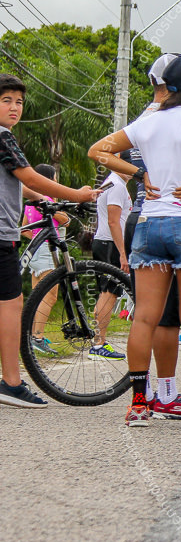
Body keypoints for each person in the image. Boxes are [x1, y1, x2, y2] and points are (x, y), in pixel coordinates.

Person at [87, 54, 181, 427]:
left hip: (151, 224)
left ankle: (140, 404)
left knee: (145, 317)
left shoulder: (146, 124)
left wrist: (138, 174)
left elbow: (98, 150)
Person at [0, 74, 101, 408]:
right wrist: (77, 194)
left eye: (19, 102)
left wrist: (40, 200)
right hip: (1, 233)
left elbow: (20, 185)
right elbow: (28, 175)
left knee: (10, 305)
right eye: (6, 100)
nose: (15, 107)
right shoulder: (3, 137)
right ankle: (11, 384)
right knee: (11, 306)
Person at [20, 163, 70, 358]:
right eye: (55, 177)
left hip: (36, 249)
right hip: (48, 250)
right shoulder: (46, 200)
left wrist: (35, 238)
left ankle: (31, 336)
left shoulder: (31, 202)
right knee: (49, 296)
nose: (57, 180)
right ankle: (37, 338)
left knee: (36, 295)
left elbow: (25, 229)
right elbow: (65, 221)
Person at [89, 165, 133, 360]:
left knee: (107, 293)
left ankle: (99, 341)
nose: (132, 171)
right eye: (129, 167)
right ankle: (99, 344)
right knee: (110, 292)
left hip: (106, 243)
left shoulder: (112, 182)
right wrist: (123, 252)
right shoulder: (117, 185)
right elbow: (113, 221)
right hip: (110, 244)